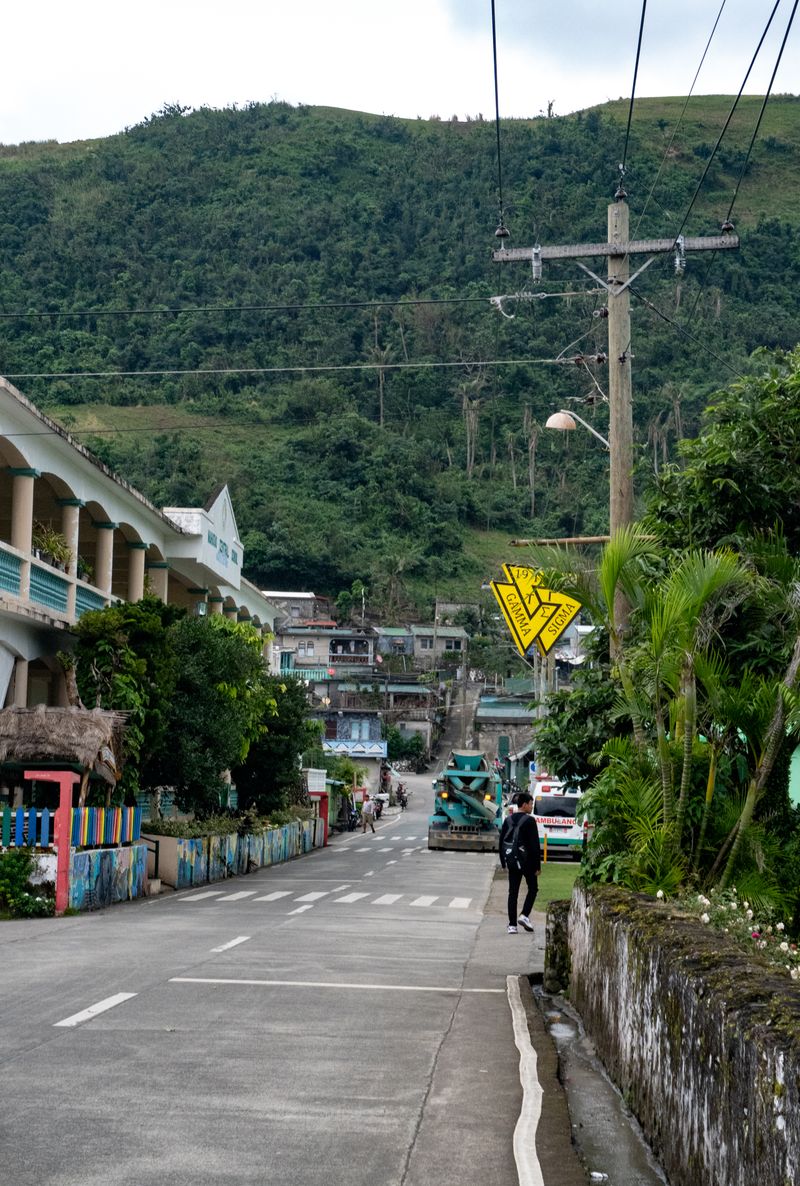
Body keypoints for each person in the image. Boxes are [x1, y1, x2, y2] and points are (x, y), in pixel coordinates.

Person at [498, 792, 541, 934]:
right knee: (533, 888)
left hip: (511, 860)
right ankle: (524, 915)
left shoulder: (508, 820)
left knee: (513, 892)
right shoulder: (530, 821)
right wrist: (537, 866)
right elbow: (534, 846)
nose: (532, 806)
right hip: (527, 862)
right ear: (524, 804)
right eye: (531, 804)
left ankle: (512, 925)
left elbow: (501, 841)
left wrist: (503, 862)